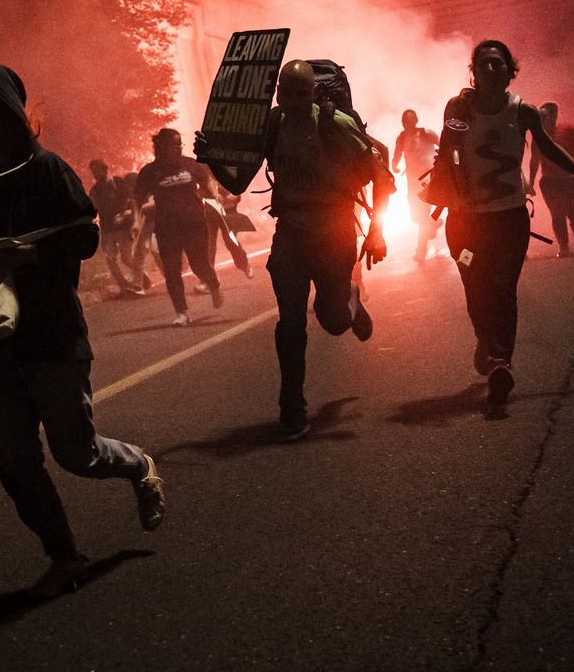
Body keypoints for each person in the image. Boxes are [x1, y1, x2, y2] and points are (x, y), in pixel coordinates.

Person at [0, 65, 165, 598]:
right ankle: (65, 554)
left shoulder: (48, 170)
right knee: (13, 460)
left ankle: (138, 464)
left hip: (50, 333)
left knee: (77, 454)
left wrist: (28, 250)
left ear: (10, 117)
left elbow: (86, 236)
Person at [197, 59, 395, 439]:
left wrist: (377, 232)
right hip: (290, 234)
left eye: (302, 93)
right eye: (287, 93)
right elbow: (237, 185)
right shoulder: (273, 124)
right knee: (290, 324)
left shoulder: (335, 124)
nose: (294, 101)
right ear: (278, 94)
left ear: (314, 94)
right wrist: (211, 159)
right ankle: (292, 407)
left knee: (333, 320)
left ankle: (349, 300)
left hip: (335, 232)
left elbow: (382, 179)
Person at [428, 41, 574, 416]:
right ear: (474, 71)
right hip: (464, 224)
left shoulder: (523, 112)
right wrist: (450, 193)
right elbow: (448, 151)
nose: (492, 71)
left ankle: (500, 362)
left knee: (503, 287)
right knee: (473, 283)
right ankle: (484, 336)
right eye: (485, 64)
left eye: (499, 65)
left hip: (509, 220)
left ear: (510, 71)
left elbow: (548, 149)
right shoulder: (458, 109)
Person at [134, 128, 224, 326]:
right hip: (167, 228)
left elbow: (207, 180)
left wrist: (214, 193)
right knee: (172, 270)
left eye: (179, 144)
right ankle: (182, 312)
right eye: (174, 144)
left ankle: (214, 285)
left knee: (199, 265)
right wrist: (141, 212)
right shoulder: (150, 171)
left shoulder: (190, 164)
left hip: (194, 224)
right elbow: (139, 196)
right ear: (161, 147)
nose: (178, 148)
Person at [527, 101, 574, 258]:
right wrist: (530, 182)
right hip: (550, 182)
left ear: (554, 117)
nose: (541, 121)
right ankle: (564, 247)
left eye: (545, 117)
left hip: (573, 180)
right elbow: (534, 160)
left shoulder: (567, 130)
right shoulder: (538, 138)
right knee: (557, 214)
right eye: (539, 117)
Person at [87, 158, 148, 296]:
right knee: (110, 259)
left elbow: (131, 201)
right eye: (93, 171)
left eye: (98, 169)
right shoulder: (94, 190)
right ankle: (124, 286)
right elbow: (93, 208)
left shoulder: (118, 183)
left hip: (123, 227)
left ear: (105, 169)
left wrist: (132, 219)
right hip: (107, 229)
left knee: (126, 258)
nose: (96, 173)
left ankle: (141, 275)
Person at [392, 108, 442, 264]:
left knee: (422, 215)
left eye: (410, 121)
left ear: (416, 121)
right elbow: (397, 154)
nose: (408, 124)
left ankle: (421, 251)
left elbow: (443, 147)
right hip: (412, 181)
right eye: (406, 121)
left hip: (428, 179)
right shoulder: (401, 138)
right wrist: (394, 166)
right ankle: (434, 224)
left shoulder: (427, 133)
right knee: (417, 216)